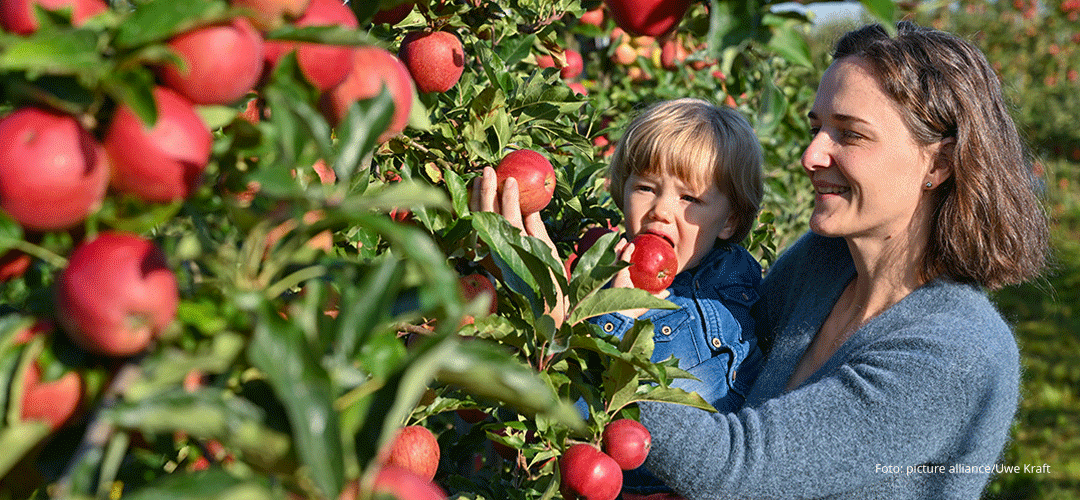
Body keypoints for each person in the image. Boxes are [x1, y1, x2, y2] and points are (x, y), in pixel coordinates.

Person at [632, 21, 1050, 500]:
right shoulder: (823, 264)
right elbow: (719, 366)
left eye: (849, 135)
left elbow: (739, 469)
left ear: (938, 163)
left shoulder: (955, 352)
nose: (811, 155)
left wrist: (593, 338)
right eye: (816, 129)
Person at [473, 97, 767, 497]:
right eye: (645, 187)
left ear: (730, 220)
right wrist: (603, 322)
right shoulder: (597, 291)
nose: (660, 211)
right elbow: (580, 431)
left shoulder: (739, 276)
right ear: (622, 191)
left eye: (690, 199)